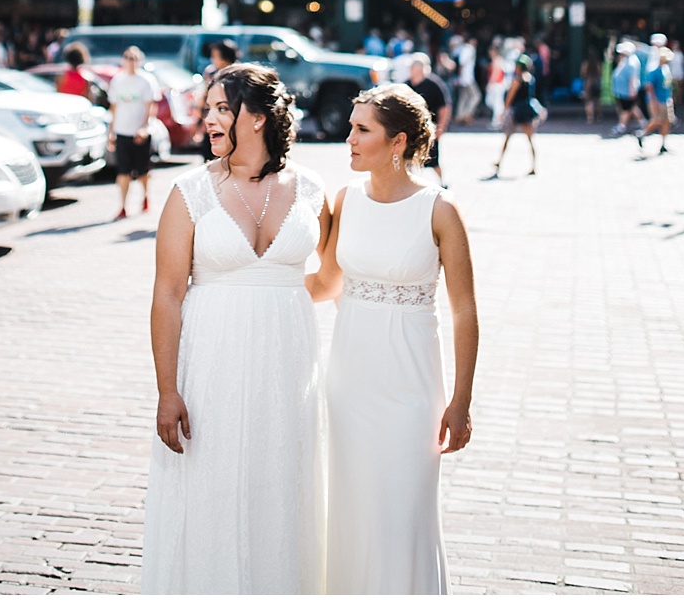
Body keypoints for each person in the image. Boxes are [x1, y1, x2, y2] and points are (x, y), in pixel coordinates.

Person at [142, 63, 330, 594]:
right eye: (208, 109)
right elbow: (167, 294)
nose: (209, 120)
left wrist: (280, 305)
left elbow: (330, 277)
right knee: (210, 487)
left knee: (281, 486)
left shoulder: (313, 189)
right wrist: (166, 390)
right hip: (211, 365)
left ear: (259, 117)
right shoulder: (189, 192)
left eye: (222, 108)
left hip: (288, 367)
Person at [308, 83, 478, 595]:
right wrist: (250, 288)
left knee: (403, 514)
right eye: (352, 128)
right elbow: (325, 283)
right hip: (350, 383)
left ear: (398, 141)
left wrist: (461, 401)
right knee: (354, 510)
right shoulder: (345, 201)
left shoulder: (439, 210)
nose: (349, 139)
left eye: (362, 130)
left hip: (411, 390)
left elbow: (465, 311)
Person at [107, 47, 158, 220]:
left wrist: (145, 127)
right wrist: (111, 132)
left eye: (134, 58)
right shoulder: (117, 81)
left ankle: (144, 197)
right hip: (122, 131)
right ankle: (123, 206)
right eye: (127, 57)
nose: (130, 61)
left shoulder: (146, 80)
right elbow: (113, 107)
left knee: (142, 171)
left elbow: (151, 106)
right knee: (123, 172)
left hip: (140, 133)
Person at [492, 53, 539, 176]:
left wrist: (503, 112)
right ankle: (534, 165)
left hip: (517, 113)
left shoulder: (517, 80)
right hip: (527, 112)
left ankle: (499, 162)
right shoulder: (530, 78)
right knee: (530, 140)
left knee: (507, 138)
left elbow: (510, 98)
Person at [407, 53, 451, 183]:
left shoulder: (433, 85)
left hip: (429, 128)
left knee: (433, 160)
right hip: (411, 129)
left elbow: (444, 107)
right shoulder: (407, 85)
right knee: (409, 158)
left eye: (413, 67)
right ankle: (410, 183)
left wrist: (441, 127)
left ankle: (442, 183)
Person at [192, 39, 238, 161]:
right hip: (212, 124)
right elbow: (203, 100)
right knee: (210, 161)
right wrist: (199, 126)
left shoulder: (237, 76)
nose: (212, 60)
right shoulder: (211, 73)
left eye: (215, 56)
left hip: (231, 126)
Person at [639, 35, 674, 155]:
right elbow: (649, 87)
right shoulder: (653, 69)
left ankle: (663, 144)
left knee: (666, 122)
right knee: (657, 120)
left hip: (665, 99)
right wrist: (654, 101)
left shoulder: (666, 69)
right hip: (657, 100)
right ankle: (642, 134)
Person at [610, 41, 644, 136]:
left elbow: (632, 78)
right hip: (622, 90)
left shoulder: (631, 62)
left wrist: (632, 90)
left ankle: (622, 126)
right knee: (632, 108)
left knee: (627, 109)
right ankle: (643, 122)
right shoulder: (625, 60)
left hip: (627, 91)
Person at [454, 36, 482, 124]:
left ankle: (459, 115)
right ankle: (466, 114)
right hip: (467, 78)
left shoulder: (462, 48)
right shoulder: (469, 49)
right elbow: (462, 64)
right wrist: (460, 76)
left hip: (464, 77)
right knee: (476, 96)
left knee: (464, 97)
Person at [485, 38, 507, 130]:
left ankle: (497, 121)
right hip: (498, 85)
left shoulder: (497, 60)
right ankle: (499, 120)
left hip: (497, 84)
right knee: (492, 103)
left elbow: (496, 73)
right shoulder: (497, 60)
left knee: (497, 104)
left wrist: (490, 83)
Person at [581, 49, 602, 125]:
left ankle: (590, 117)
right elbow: (600, 73)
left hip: (588, 83)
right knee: (597, 100)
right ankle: (599, 116)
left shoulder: (585, 63)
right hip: (597, 81)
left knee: (588, 101)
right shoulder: (598, 64)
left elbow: (583, 73)